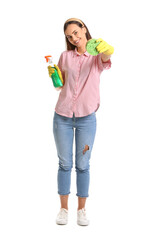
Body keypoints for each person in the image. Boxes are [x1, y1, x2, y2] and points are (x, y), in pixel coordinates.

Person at [48, 18, 113, 226]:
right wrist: (55, 76)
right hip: (63, 117)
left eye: (76, 32)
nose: (74, 38)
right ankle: (63, 209)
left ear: (84, 29)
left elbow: (106, 57)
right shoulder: (65, 56)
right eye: (70, 36)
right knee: (64, 164)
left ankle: (82, 210)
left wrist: (107, 49)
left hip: (87, 119)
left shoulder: (95, 57)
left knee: (83, 165)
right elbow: (60, 86)